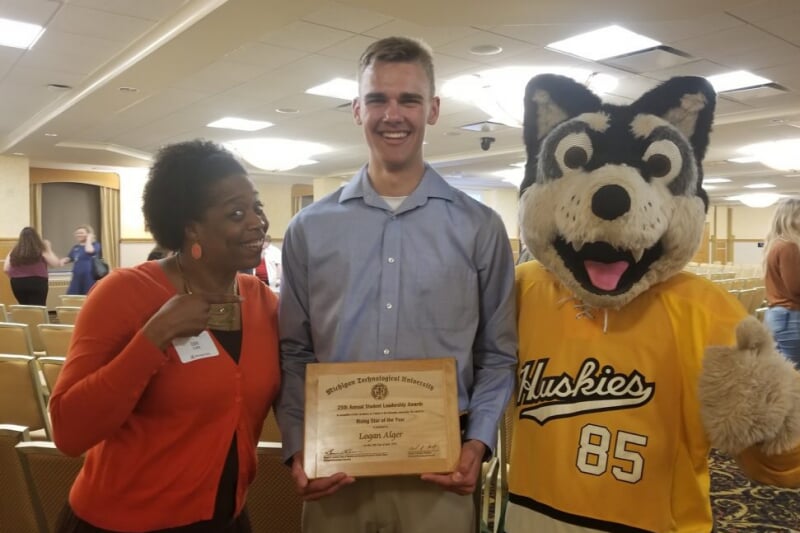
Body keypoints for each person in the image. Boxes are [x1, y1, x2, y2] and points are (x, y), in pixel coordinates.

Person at [275, 36, 517, 532]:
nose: (392, 115)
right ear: (356, 109)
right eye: (377, 99)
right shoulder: (309, 229)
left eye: (408, 100)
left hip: (439, 474)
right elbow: (295, 351)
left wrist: (478, 442)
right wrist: (297, 444)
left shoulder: (480, 228)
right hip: (335, 471)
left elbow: (497, 354)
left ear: (433, 109)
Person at [49, 139, 280, 532]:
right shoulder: (122, 294)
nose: (257, 222)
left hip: (226, 519)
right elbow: (69, 432)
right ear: (191, 228)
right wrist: (155, 336)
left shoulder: (264, 303)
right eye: (237, 213)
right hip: (121, 523)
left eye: (257, 207)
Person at [763, 197, 800, 368]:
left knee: (781, 372)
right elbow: (796, 288)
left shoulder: (776, 244)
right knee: (793, 373)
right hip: (791, 316)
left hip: (778, 315)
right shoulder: (789, 246)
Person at [3, 226, 62, 305]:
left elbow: (6, 269)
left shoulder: (14, 251)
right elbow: (55, 263)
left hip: (17, 282)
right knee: (38, 307)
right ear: (36, 238)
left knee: (23, 306)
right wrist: (48, 249)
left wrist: (15, 277)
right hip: (38, 282)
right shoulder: (41, 249)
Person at [60, 224, 101, 295]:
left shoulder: (95, 245)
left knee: (89, 296)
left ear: (88, 234)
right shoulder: (76, 247)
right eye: (77, 233)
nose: (78, 235)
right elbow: (70, 258)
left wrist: (89, 239)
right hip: (77, 277)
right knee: (72, 297)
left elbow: (89, 250)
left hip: (89, 277)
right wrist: (63, 260)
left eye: (81, 233)